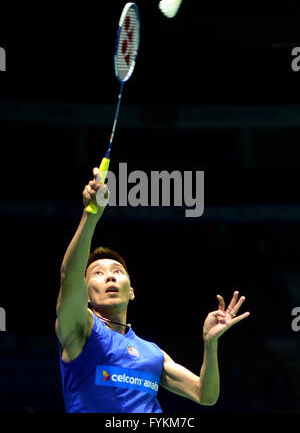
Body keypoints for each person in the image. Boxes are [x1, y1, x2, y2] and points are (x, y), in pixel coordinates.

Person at [55, 167, 250, 413]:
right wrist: (90, 215)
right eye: (98, 273)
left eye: (117, 271)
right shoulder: (80, 329)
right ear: (86, 292)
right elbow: (69, 277)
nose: (109, 278)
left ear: (132, 291)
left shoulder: (153, 353)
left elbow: (205, 395)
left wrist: (210, 345)